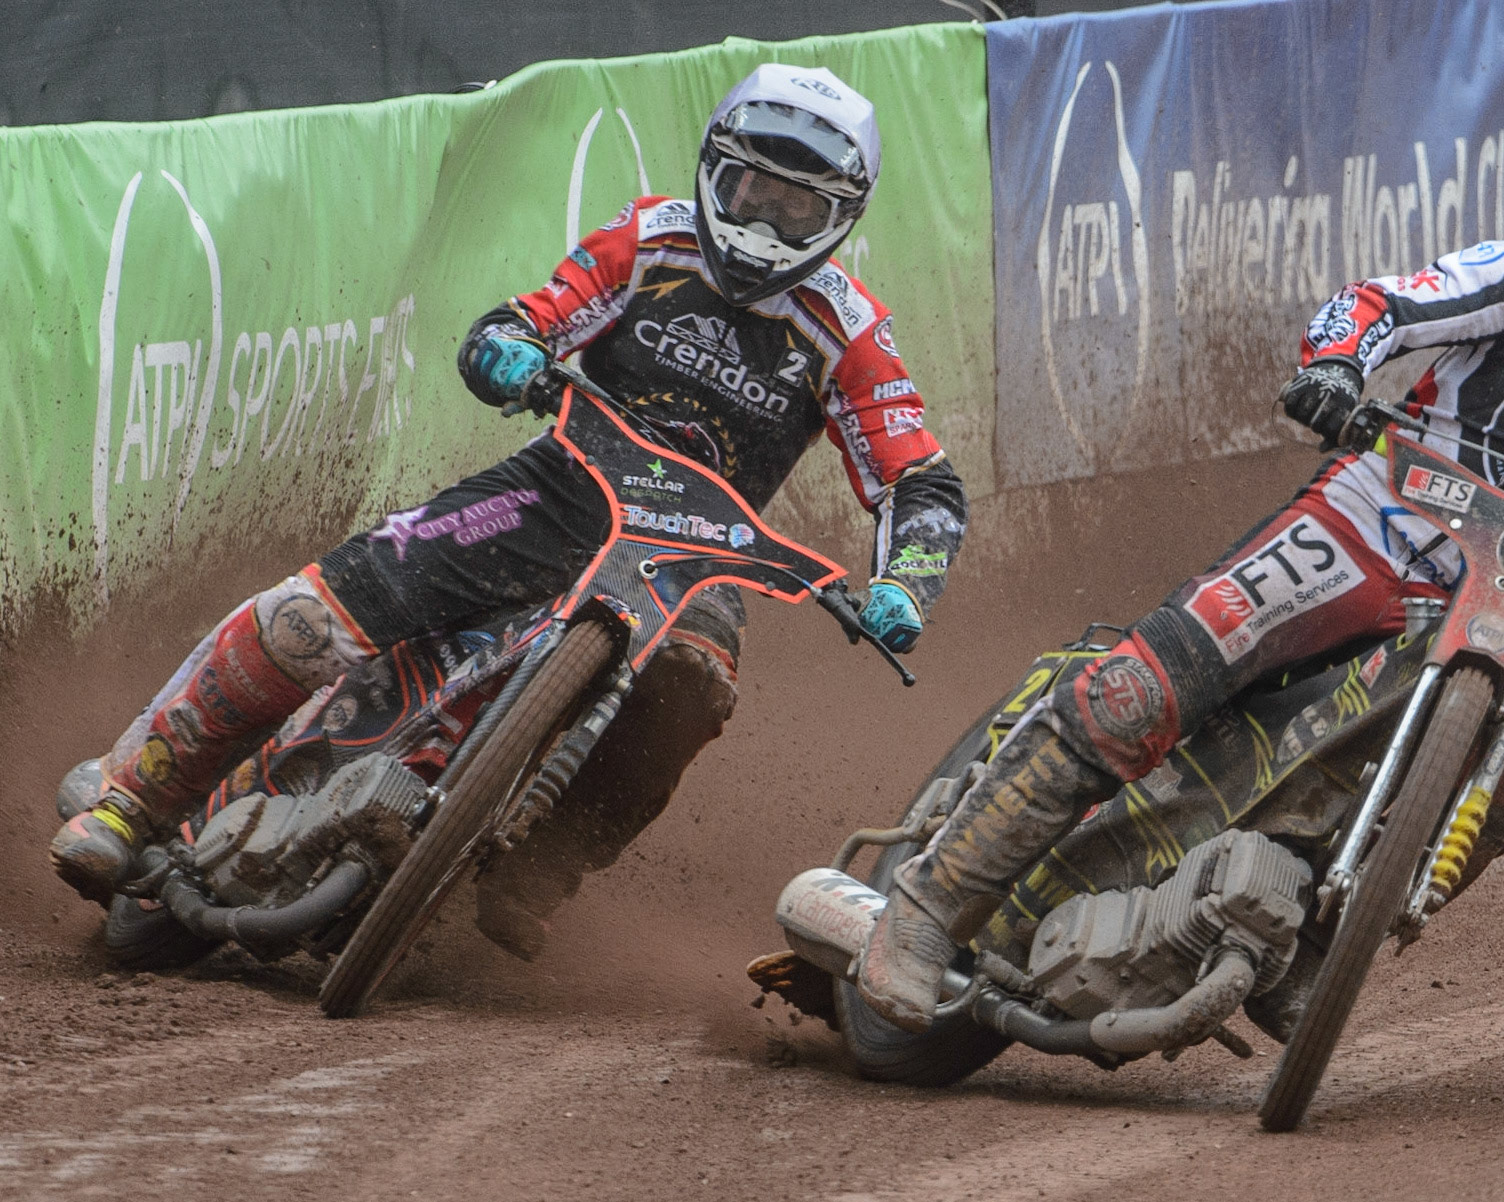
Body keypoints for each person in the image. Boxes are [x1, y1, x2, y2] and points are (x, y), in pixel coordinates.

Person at [857, 127, 1504, 1035]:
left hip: (1499, 613)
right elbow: (1383, 302)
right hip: (1375, 519)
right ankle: (930, 905)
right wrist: (1335, 363)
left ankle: (1324, 939)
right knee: (1137, 689)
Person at [51, 64, 967, 960]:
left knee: (692, 680)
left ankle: (542, 869)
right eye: (752, 187)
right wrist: (508, 349)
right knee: (306, 621)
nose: (766, 218)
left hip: (698, 559)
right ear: (715, 167)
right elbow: (531, 314)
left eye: (796, 205)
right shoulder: (651, 239)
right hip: (556, 489)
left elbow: (918, 479)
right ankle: (136, 797)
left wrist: (907, 581)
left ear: (839, 217)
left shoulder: (848, 331)